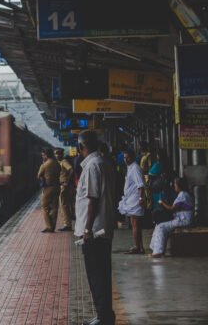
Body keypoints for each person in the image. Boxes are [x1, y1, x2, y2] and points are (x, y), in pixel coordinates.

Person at [75, 130, 116, 325]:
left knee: (96, 275)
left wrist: (87, 229)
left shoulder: (92, 167)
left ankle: (103, 318)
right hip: (103, 228)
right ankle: (104, 315)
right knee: (102, 273)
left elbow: (92, 199)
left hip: (95, 232)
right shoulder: (103, 163)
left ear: (82, 147)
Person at [149, 177, 194, 257]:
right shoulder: (183, 194)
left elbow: (172, 208)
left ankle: (158, 251)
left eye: (175, 184)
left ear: (179, 185)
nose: (174, 186)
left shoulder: (183, 195)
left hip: (184, 220)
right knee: (159, 224)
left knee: (161, 227)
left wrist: (162, 203)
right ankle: (155, 249)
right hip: (181, 218)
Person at [118, 149, 146, 254]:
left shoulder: (135, 168)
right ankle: (141, 247)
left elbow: (141, 185)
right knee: (136, 224)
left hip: (135, 200)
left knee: (135, 224)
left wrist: (140, 198)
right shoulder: (130, 167)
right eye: (124, 157)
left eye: (127, 157)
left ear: (133, 157)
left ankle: (136, 247)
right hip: (131, 199)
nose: (125, 159)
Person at [37, 148, 61, 233]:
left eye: (43, 155)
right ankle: (53, 227)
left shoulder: (45, 165)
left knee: (44, 206)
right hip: (57, 187)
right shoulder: (57, 164)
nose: (43, 156)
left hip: (48, 188)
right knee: (54, 207)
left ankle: (48, 226)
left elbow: (38, 175)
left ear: (46, 155)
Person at [55, 148, 74, 231]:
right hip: (61, 185)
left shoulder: (63, 162)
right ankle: (66, 223)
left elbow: (71, 169)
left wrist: (67, 181)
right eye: (55, 153)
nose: (57, 155)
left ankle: (67, 225)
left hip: (63, 185)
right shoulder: (58, 162)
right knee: (63, 205)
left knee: (63, 205)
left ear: (61, 154)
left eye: (58, 153)